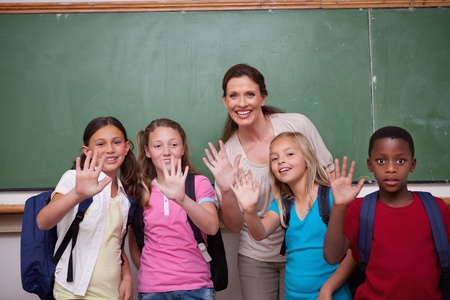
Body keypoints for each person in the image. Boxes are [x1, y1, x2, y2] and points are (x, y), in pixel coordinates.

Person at [203, 63, 334, 299]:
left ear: (263, 97)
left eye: (250, 94)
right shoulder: (229, 155)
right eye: (234, 96)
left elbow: (328, 179)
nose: (242, 103)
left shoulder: (297, 125)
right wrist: (226, 189)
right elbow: (234, 225)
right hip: (257, 255)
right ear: (225, 101)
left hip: (305, 250)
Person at [323, 126, 450, 299]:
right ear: (370, 164)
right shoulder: (358, 209)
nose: (391, 168)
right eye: (381, 161)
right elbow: (332, 256)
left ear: (412, 164)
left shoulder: (435, 207)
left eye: (400, 161)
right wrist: (339, 206)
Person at [229, 132, 354, 299]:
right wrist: (249, 210)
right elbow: (259, 233)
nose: (281, 160)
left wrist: (328, 289)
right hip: (294, 295)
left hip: (332, 295)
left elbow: (354, 254)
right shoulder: (283, 203)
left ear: (307, 158)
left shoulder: (334, 197)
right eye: (274, 158)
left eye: (289, 154)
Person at [36, 116, 145, 300]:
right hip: (71, 291)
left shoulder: (125, 195)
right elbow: (43, 221)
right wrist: (78, 194)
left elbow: (115, 244)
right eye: (101, 144)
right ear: (87, 151)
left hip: (112, 292)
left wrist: (126, 278)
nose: (110, 149)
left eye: (116, 142)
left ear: (126, 147)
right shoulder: (73, 180)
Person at [129, 118, 220, 300]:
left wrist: (182, 199)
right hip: (152, 289)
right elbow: (134, 240)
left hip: (196, 286)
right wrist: (153, 273)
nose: (166, 152)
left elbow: (212, 227)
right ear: (147, 151)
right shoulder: (141, 190)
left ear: (183, 149)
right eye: (157, 146)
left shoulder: (198, 184)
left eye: (173, 145)